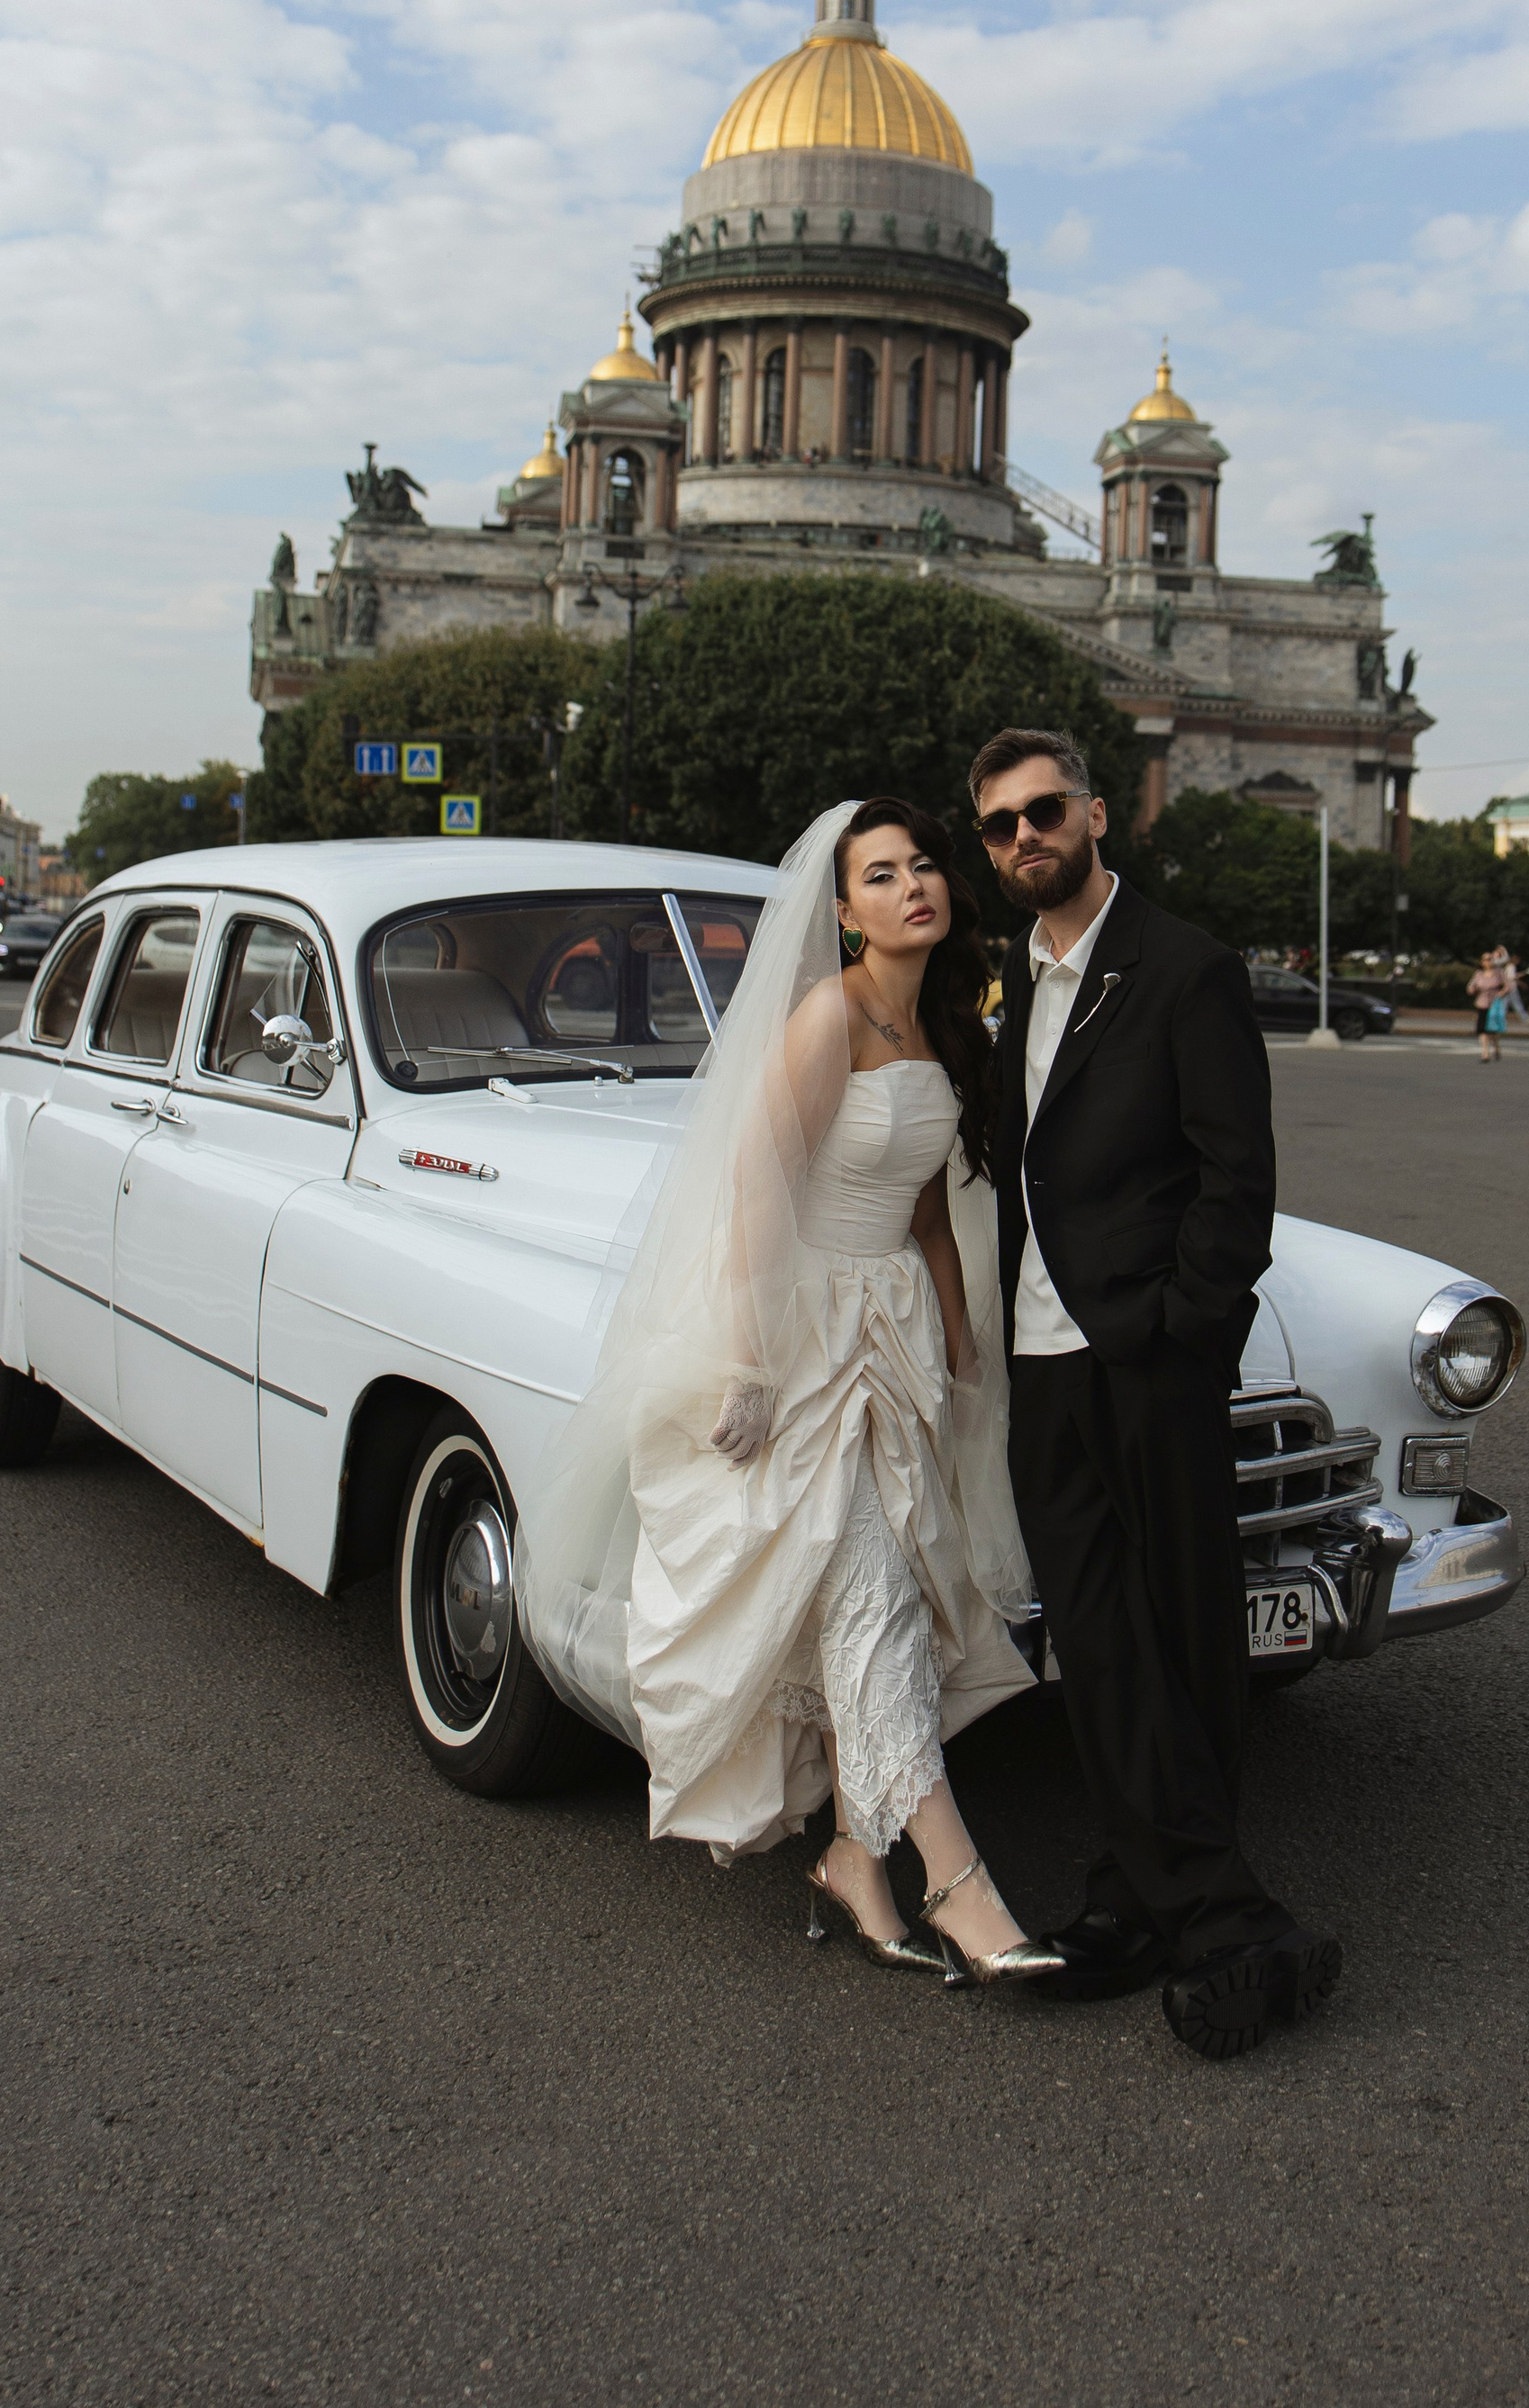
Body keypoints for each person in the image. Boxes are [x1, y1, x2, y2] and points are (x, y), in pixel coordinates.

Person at [514, 797, 1055, 1989]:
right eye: (880, 873)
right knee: (867, 1597)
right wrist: (751, 1357)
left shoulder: (942, 1025)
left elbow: (924, 1199)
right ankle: (963, 1889)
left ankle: (858, 1860)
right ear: (845, 908)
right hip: (802, 1330)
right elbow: (758, 1185)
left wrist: (962, 1338)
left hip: (895, 1324)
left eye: (923, 865)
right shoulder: (830, 1014)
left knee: (895, 1592)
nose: (912, 884)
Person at [969, 725, 1340, 2064]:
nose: (1025, 839)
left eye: (1045, 811)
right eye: (1002, 824)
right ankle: (1198, 1913)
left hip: (1145, 1357)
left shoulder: (1183, 967)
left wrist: (1188, 1330)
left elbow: (1236, 1176)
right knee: (1100, 1643)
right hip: (1038, 1359)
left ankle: (1169, 1913)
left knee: (1179, 1636)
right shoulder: (1005, 972)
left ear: (1098, 814)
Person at [1469, 951, 1506, 1062]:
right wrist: (1472, 989)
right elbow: (1472, 985)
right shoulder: (1478, 974)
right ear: (1482, 962)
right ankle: (1485, 1053)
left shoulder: (1499, 972)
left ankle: (1496, 1047)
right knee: (1482, 1029)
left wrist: (1501, 993)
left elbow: (1507, 986)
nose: (1488, 962)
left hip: (1494, 1004)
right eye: (1486, 959)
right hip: (1482, 1002)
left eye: (1490, 959)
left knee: (1493, 1029)